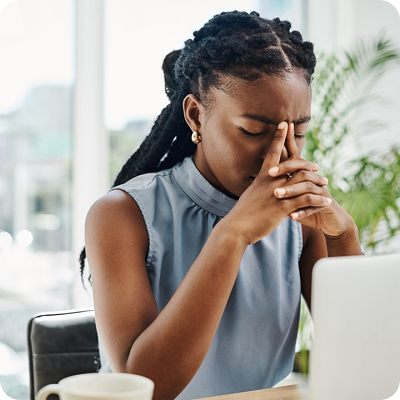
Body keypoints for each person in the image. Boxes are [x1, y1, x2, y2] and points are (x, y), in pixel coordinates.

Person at [81, 10, 362, 400]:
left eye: (299, 131)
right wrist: (233, 233)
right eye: (253, 131)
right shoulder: (122, 215)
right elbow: (146, 387)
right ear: (196, 115)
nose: (282, 155)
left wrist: (343, 235)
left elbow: (363, 352)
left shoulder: (300, 219)